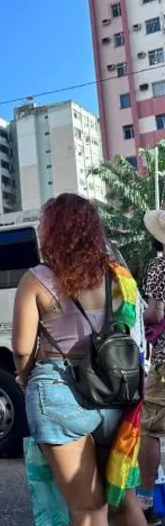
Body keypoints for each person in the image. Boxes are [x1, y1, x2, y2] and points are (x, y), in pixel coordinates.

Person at [12, 193, 145, 526]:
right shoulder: (116, 275)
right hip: (115, 389)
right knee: (122, 497)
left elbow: (22, 349)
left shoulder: (36, 279)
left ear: (51, 232)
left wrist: (26, 377)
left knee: (88, 508)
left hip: (59, 391)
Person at [139, 211, 165, 523]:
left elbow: (156, 315)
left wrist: (138, 313)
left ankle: (145, 503)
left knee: (149, 429)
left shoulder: (160, 266)